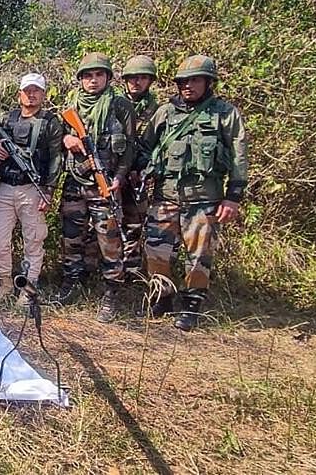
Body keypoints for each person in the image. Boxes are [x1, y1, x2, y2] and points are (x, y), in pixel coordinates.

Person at [137, 55, 248, 331]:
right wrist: (140, 170)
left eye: (195, 80)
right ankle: (162, 298)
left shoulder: (224, 113)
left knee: (199, 256)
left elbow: (239, 157)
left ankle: (191, 307)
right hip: (165, 196)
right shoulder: (165, 112)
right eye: (183, 81)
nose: (188, 86)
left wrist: (233, 197)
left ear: (208, 82)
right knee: (155, 251)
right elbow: (144, 146)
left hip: (204, 199)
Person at [59, 52, 136, 322]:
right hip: (75, 183)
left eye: (98, 75)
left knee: (110, 242)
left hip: (105, 186)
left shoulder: (120, 106)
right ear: (81, 80)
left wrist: (119, 178)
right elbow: (56, 138)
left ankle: (110, 294)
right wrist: (67, 138)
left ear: (107, 77)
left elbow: (129, 147)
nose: (93, 81)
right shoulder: (72, 105)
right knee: (71, 238)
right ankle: (71, 284)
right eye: (88, 76)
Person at [0, 73, 63, 304]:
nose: (31, 95)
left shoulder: (50, 122)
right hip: (5, 187)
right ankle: (5, 284)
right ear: (19, 94)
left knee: (34, 240)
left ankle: (28, 289)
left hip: (33, 188)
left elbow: (55, 158)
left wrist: (49, 190)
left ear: (43, 94)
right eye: (27, 90)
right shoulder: (7, 119)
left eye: (36, 90)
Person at [120, 55, 160, 277]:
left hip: (139, 178)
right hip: (113, 175)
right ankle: (102, 274)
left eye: (143, 78)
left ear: (150, 81)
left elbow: (159, 146)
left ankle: (131, 274)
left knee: (134, 225)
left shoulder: (158, 111)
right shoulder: (113, 104)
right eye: (133, 78)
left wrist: (144, 169)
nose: (137, 82)